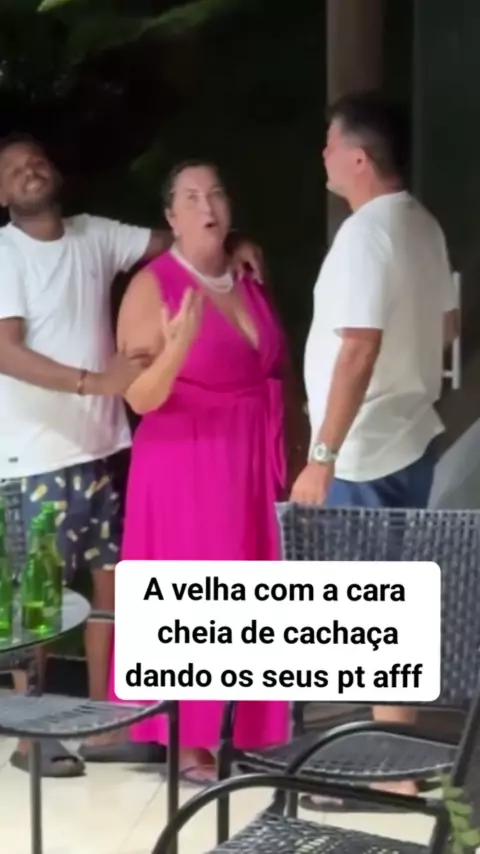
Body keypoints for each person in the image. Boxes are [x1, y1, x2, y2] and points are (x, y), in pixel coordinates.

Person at [0, 134, 263, 778]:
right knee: (39, 599)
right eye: (12, 170)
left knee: (114, 591)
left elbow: (180, 238)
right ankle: (31, 737)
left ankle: (103, 723)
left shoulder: (94, 234)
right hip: (31, 456)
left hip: (103, 447)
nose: (29, 171)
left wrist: (232, 241)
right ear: (2, 193)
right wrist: (95, 382)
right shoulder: (4, 254)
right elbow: (5, 351)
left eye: (36, 160)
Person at [292, 92, 459, 807]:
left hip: (364, 452)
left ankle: (389, 768)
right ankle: (393, 757)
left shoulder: (366, 236)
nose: (324, 156)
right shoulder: (422, 224)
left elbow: (358, 348)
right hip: (410, 434)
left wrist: (322, 453)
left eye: (331, 145)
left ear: (358, 159)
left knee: (372, 612)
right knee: (395, 605)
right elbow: (447, 325)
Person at [107, 160, 296, 784]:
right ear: (171, 216)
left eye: (215, 193)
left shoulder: (246, 273)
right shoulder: (152, 286)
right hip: (187, 457)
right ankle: (188, 738)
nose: (206, 205)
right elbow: (139, 397)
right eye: (190, 197)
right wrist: (180, 345)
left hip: (250, 452)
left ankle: (248, 727)